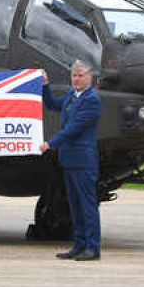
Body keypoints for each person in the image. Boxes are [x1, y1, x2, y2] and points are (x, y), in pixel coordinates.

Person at [39, 60, 102, 261]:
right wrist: (45, 85)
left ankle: (93, 248)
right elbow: (52, 104)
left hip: (83, 160)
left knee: (87, 205)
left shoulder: (91, 99)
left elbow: (74, 128)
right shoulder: (72, 96)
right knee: (74, 205)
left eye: (81, 75)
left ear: (89, 77)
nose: (76, 79)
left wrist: (52, 143)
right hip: (70, 160)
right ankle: (79, 245)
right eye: (74, 75)